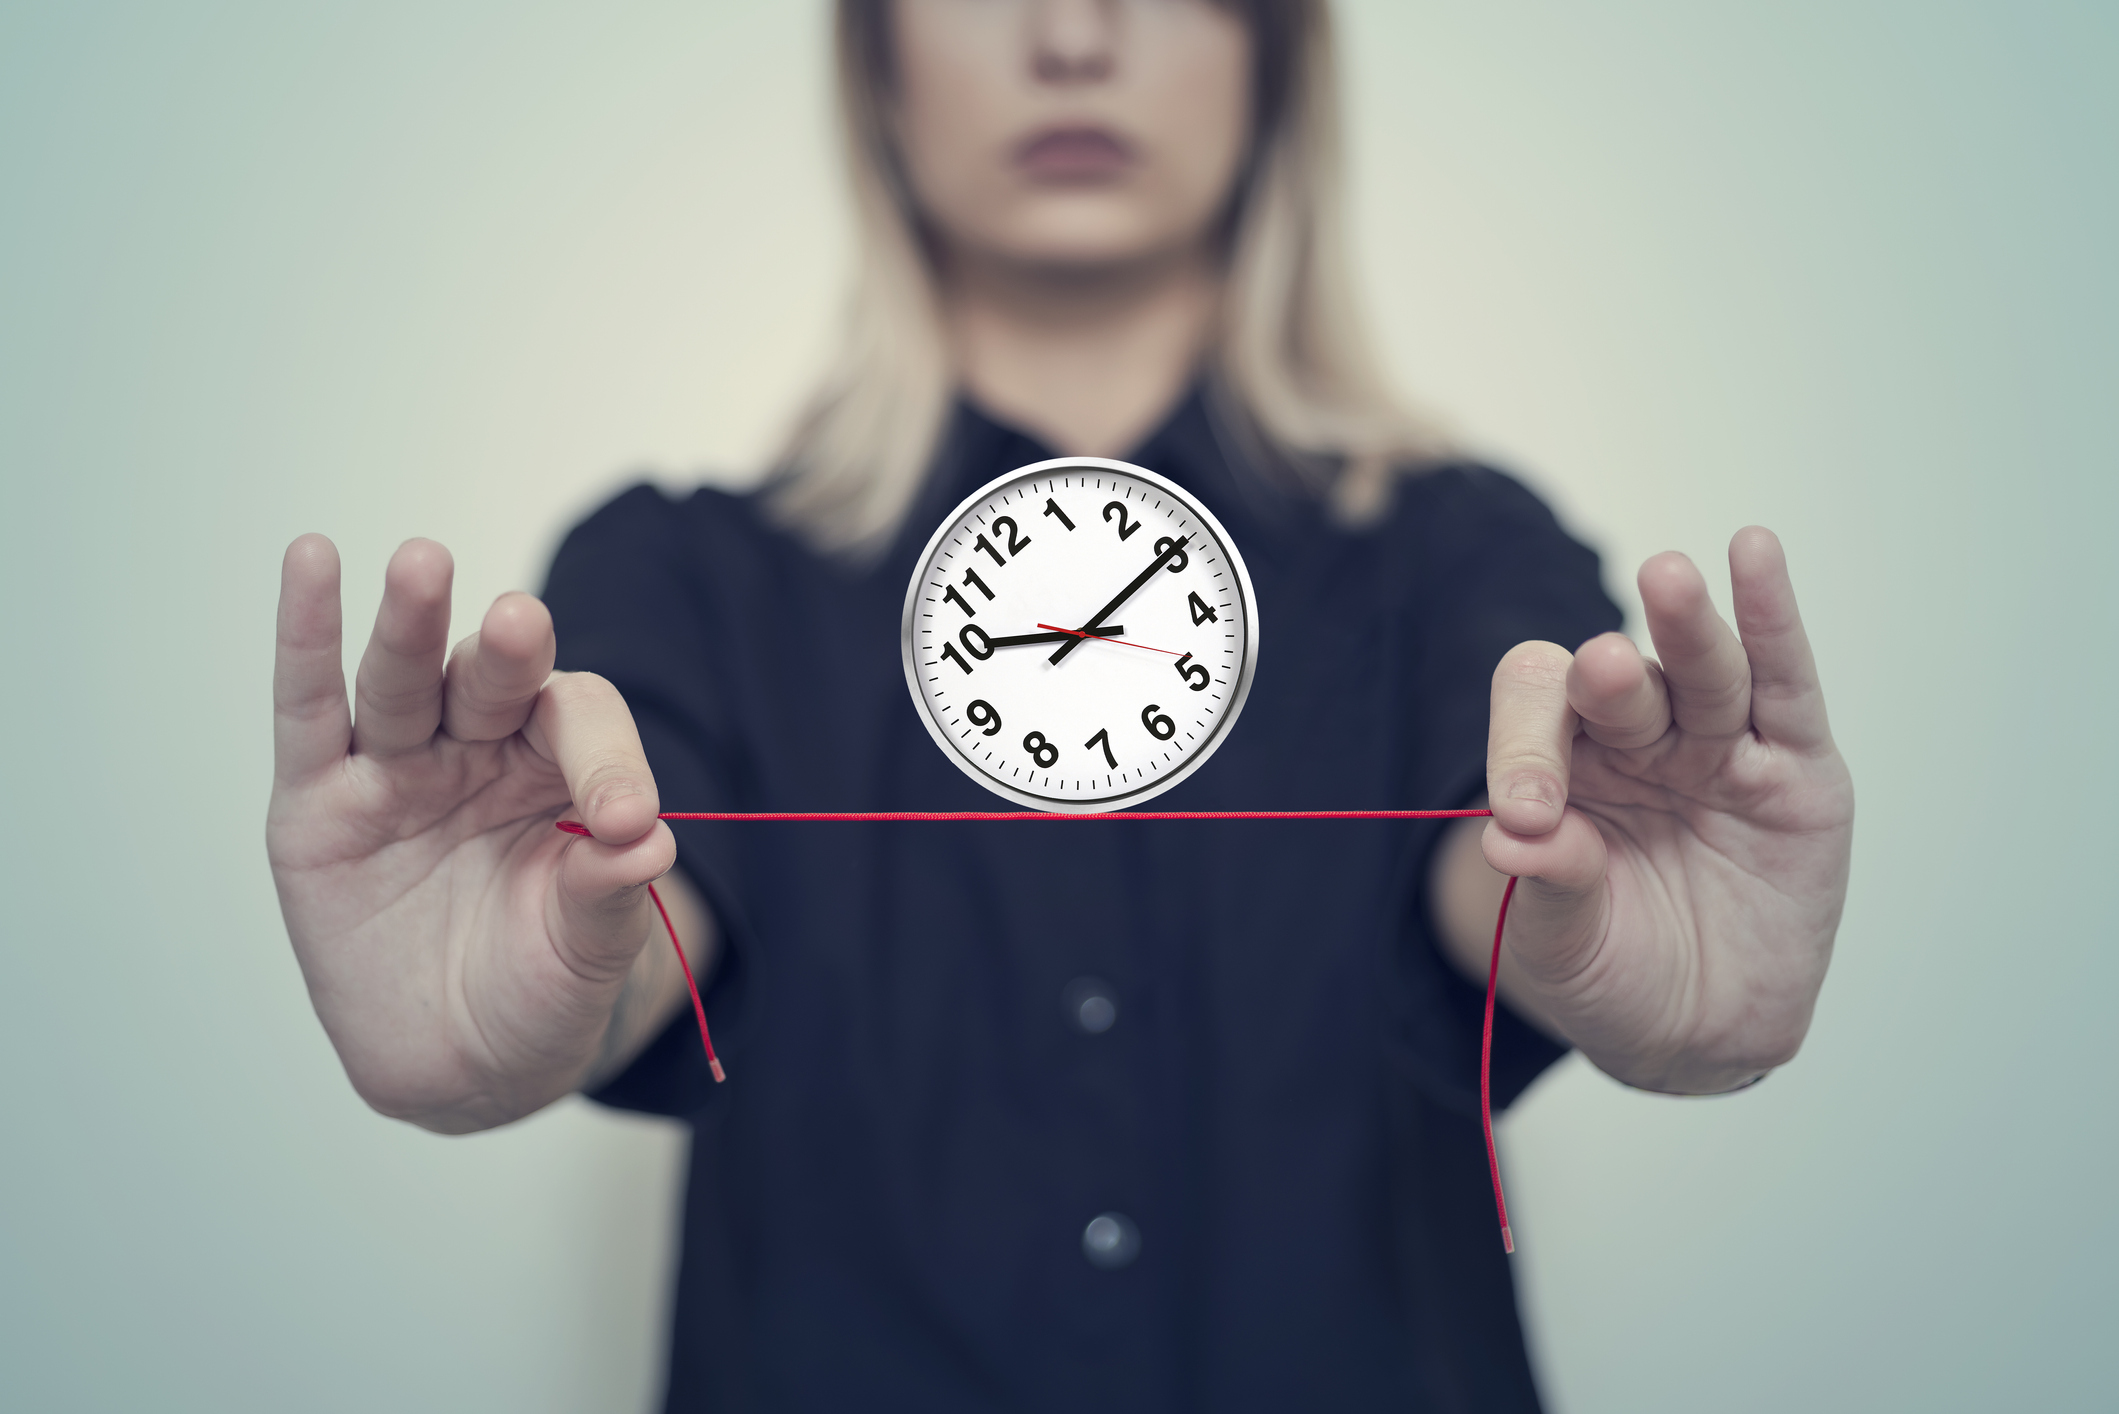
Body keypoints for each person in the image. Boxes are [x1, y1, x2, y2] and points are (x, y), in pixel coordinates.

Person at [266, 1, 1854, 1409]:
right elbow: (632, 903)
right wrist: (514, 1024)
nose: (1073, 35)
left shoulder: (1458, 553)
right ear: (878, 65)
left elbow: (1504, 856)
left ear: (1275, 64)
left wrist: (1601, 934)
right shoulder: (679, 576)